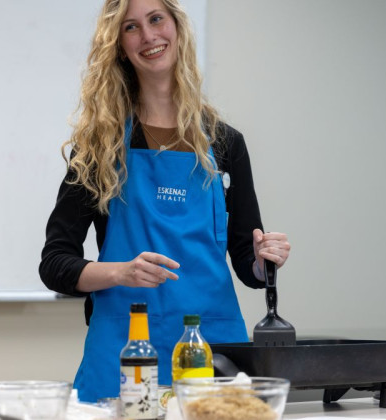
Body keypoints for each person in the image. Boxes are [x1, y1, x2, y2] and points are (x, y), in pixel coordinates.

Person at [39, 0, 291, 403]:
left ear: (177, 27)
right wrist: (119, 273)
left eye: (156, 19)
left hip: (212, 348)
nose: (148, 36)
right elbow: (54, 264)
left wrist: (264, 261)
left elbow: (247, 262)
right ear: (119, 45)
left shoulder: (226, 143)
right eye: (131, 28)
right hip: (126, 346)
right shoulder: (98, 146)